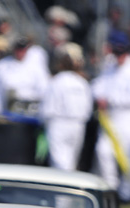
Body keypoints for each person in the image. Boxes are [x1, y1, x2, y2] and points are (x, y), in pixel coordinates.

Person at [91, 30, 130, 202]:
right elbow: (96, 86)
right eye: (116, 52)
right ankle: (111, 190)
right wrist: (100, 98)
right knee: (103, 153)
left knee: (129, 160)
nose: (119, 56)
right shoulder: (109, 68)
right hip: (109, 120)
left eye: (122, 52)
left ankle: (127, 195)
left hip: (128, 120)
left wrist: (110, 100)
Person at [39, 43, 92, 172]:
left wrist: (42, 122)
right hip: (78, 125)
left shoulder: (56, 81)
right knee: (71, 161)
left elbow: (46, 109)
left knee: (59, 162)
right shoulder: (82, 83)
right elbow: (88, 109)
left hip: (59, 124)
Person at [0, 36, 49, 117]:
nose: (21, 52)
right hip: (7, 113)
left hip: (31, 113)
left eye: (23, 50)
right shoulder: (2, 66)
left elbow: (44, 89)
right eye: (18, 49)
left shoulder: (36, 67)